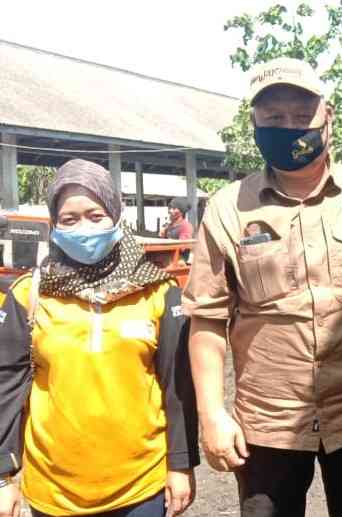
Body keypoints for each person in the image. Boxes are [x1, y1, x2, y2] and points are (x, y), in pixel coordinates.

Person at [182, 57, 342, 517]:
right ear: (255, 123)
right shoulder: (229, 208)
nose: (289, 127)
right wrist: (212, 416)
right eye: (274, 117)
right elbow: (207, 321)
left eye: (301, 115)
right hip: (267, 425)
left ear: (327, 116)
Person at [0, 159, 199, 517]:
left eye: (96, 216)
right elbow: (6, 384)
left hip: (141, 487)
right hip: (53, 491)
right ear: (54, 225)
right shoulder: (30, 293)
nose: (84, 229)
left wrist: (181, 465)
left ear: (116, 217)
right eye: (69, 219)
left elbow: (178, 384)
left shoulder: (157, 290)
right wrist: (3, 477)